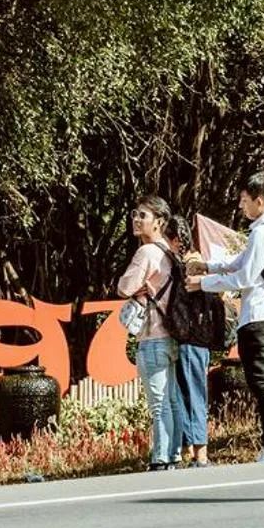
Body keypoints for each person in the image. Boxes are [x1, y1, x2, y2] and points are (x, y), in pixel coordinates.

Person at [188, 171, 264, 463]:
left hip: (260, 317)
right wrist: (207, 266)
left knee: (263, 383)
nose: (241, 207)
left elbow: (244, 277)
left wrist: (203, 283)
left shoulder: (261, 232)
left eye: (245, 201)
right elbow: (239, 262)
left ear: (259, 200)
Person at [117, 195, 180, 471]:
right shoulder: (171, 253)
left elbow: (124, 287)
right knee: (173, 399)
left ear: (160, 222)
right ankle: (174, 454)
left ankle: (160, 456)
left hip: (153, 336)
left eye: (143, 215)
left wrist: (131, 284)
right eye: (135, 213)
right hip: (174, 335)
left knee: (158, 402)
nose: (136, 219)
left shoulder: (146, 253)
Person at [164, 215, 210, 468]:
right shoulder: (183, 261)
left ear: (174, 239)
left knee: (193, 393)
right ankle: (187, 448)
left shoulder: (193, 263)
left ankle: (200, 451)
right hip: (184, 337)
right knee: (182, 393)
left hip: (193, 337)